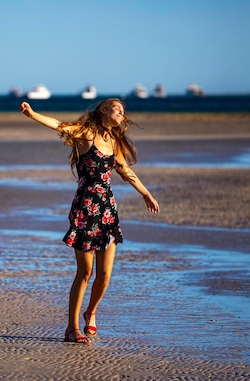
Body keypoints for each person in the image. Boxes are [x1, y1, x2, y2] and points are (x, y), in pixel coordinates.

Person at [20, 98, 159, 344]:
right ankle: (72, 328)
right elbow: (59, 125)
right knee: (85, 272)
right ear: (104, 110)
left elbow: (125, 171)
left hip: (107, 211)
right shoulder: (86, 133)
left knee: (104, 275)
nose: (121, 112)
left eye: (123, 110)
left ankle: (91, 311)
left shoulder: (114, 142)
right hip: (85, 209)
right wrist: (33, 114)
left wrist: (146, 194)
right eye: (117, 108)